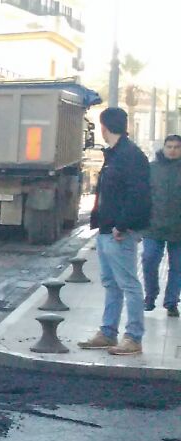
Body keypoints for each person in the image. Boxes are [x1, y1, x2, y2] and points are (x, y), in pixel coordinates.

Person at [78, 107, 152, 355]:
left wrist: (123, 225)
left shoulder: (130, 155)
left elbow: (138, 195)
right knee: (111, 283)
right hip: (107, 230)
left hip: (120, 231)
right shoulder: (115, 154)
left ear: (104, 128)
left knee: (128, 284)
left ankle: (133, 337)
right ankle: (108, 332)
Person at [143, 132, 181, 316]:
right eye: (170, 147)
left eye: (176, 147)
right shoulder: (151, 169)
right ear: (164, 148)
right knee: (149, 260)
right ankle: (150, 296)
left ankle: (171, 302)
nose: (173, 150)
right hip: (153, 226)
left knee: (178, 267)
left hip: (179, 229)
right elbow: (142, 197)